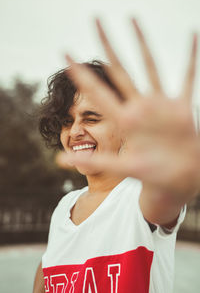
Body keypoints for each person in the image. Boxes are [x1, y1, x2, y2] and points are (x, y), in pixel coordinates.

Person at [33, 19, 199, 293]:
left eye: (92, 118)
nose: (75, 131)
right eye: (66, 121)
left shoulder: (139, 195)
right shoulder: (64, 207)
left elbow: (163, 200)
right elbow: (46, 271)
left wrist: (172, 172)